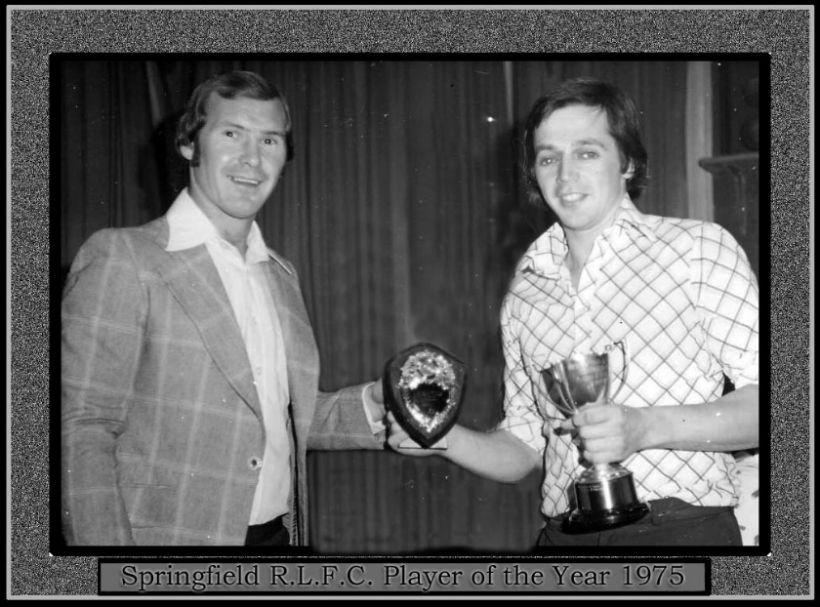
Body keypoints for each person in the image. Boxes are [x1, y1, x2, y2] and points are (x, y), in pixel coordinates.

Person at [387, 77, 759, 547]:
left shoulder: (697, 248)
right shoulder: (526, 290)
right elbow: (525, 447)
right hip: (564, 541)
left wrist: (644, 427)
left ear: (627, 162)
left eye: (587, 152)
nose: (564, 176)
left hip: (678, 534)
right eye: (548, 157)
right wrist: (437, 436)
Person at [61, 70, 386, 547]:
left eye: (270, 140)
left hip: (279, 540)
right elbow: (83, 429)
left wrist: (373, 404)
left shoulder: (280, 274)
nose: (252, 159)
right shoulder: (123, 256)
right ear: (190, 144)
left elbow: (277, 416)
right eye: (232, 133)